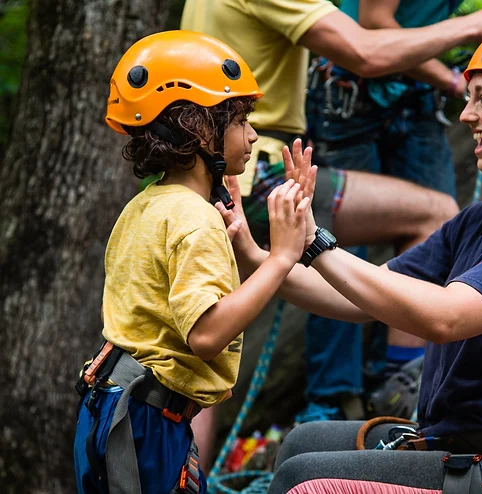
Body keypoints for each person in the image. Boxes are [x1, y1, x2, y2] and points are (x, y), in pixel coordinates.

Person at [221, 18, 482, 493]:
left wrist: (313, 242)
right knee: (301, 443)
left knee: (300, 480)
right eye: (469, 97)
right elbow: (356, 301)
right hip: (469, 444)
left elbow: (446, 318)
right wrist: (253, 252)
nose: (466, 115)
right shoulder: (478, 223)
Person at [181, 0, 482, 463]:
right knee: (432, 211)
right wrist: (476, 25)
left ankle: (181, 476)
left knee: (193, 352)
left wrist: (258, 256)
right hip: (260, 169)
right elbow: (363, 50)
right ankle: (404, 390)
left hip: (206, 176)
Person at [72, 31, 312, 494]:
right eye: (241, 120)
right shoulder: (193, 220)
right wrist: (280, 259)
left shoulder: (146, 204)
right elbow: (205, 335)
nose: (253, 134)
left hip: (113, 403)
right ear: (198, 130)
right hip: (145, 424)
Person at [302, 0, 482, 423]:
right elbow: (373, 25)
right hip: (350, 98)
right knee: (333, 250)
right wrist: (456, 72)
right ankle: (332, 403)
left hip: (414, 97)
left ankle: (408, 392)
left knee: (440, 234)